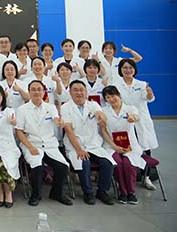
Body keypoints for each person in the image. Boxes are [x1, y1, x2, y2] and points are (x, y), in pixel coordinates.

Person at [15, 80, 72, 206]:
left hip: (49, 144)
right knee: (37, 166)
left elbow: (56, 119)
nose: (36, 92)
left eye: (39, 89)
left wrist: (59, 122)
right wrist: (30, 147)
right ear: (29, 92)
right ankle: (35, 195)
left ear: (44, 91)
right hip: (31, 143)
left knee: (63, 167)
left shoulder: (50, 107)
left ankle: (56, 193)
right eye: (33, 89)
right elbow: (19, 131)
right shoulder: (22, 109)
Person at [62, 80, 115, 205]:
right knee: (84, 163)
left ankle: (102, 191)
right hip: (75, 146)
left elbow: (100, 114)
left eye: (81, 90)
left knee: (107, 163)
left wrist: (102, 118)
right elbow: (68, 130)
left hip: (93, 145)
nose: (79, 93)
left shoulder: (93, 104)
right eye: (75, 90)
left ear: (86, 92)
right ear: (70, 92)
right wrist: (79, 150)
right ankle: (88, 192)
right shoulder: (65, 107)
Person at [114, 58, 158, 190]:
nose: (128, 70)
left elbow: (149, 99)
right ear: (120, 70)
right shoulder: (116, 84)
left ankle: (146, 177)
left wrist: (150, 94)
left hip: (140, 120)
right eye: (124, 68)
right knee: (124, 149)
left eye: (130, 68)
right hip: (123, 120)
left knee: (145, 148)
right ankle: (124, 178)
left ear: (134, 69)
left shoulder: (142, 84)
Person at [100, 85, 145, 204]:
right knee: (118, 163)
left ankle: (131, 192)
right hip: (111, 145)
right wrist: (114, 147)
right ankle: (122, 192)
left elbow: (136, 117)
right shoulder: (103, 111)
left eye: (113, 95)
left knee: (128, 164)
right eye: (108, 97)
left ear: (118, 95)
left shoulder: (130, 108)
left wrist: (132, 118)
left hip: (130, 145)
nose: (111, 99)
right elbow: (103, 131)